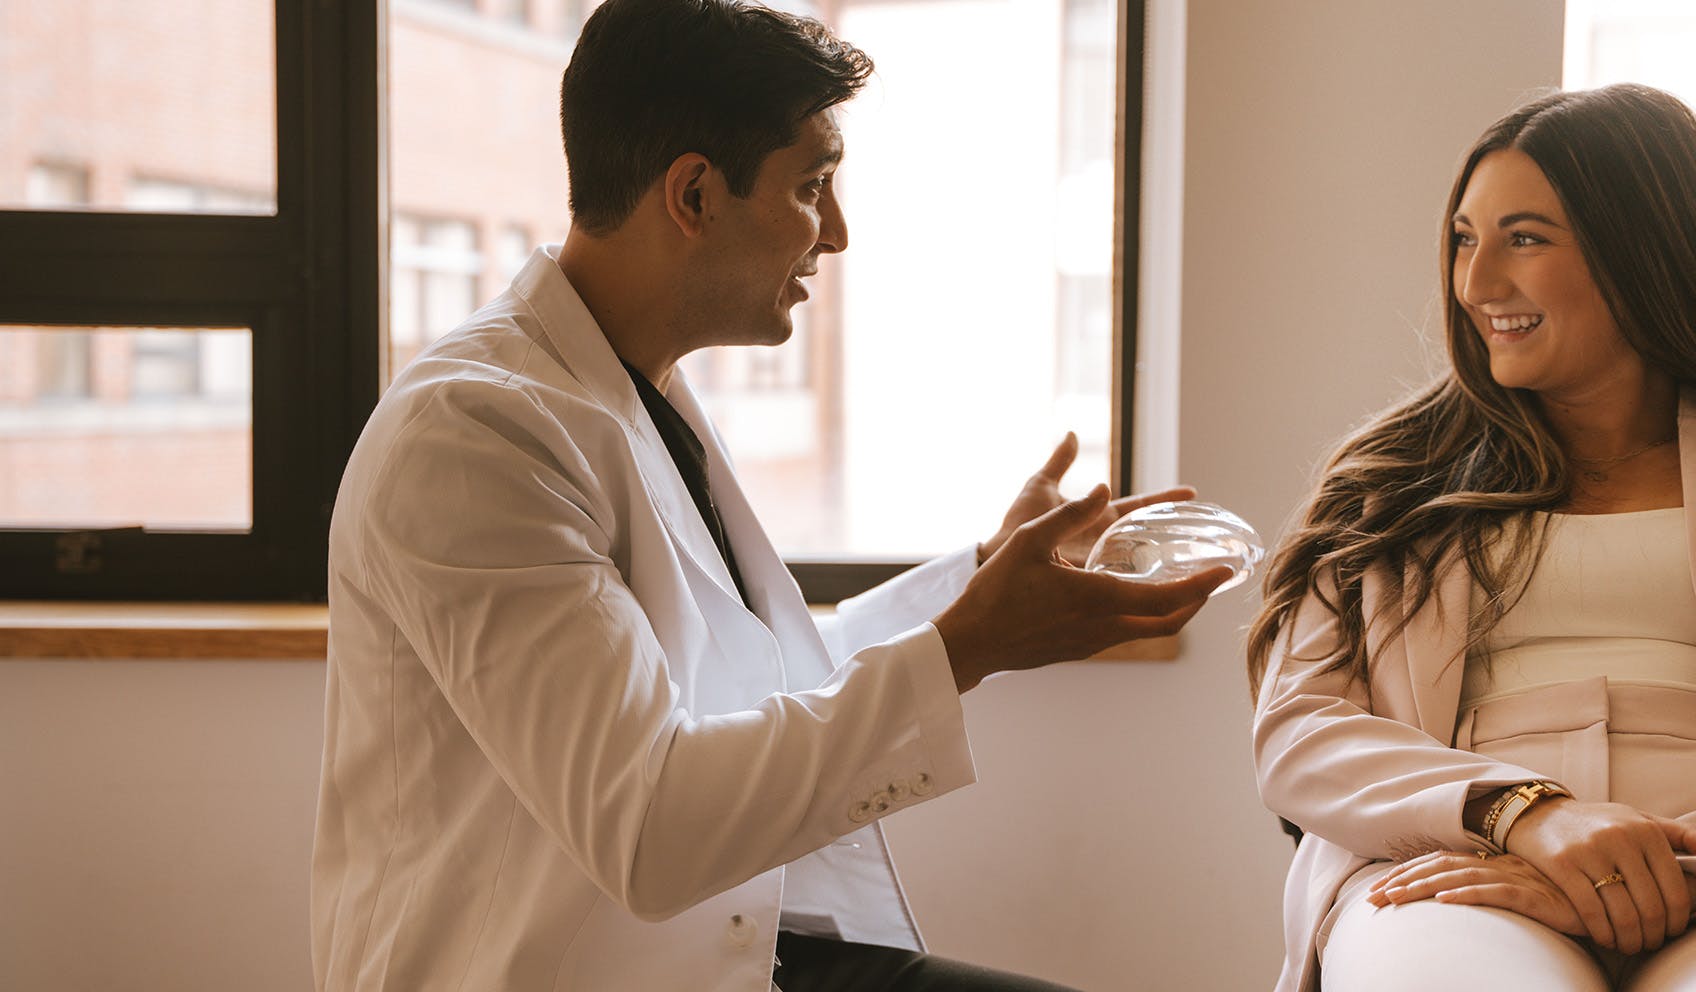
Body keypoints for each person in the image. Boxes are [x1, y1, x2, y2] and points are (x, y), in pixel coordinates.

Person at [310, 1, 1229, 989]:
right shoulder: (472, 436)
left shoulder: (636, 389)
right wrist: (971, 642)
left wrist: (977, 586)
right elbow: (647, 820)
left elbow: (758, 681)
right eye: (812, 186)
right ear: (695, 194)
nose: (835, 232)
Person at [1248, 82, 1696, 992]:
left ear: (1643, 246)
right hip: (1456, 868)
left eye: (1523, 238)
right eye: (1464, 239)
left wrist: (1666, 871)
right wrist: (1526, 815)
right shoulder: (1391, 479)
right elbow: (1300, 730)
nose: (1476, 282)